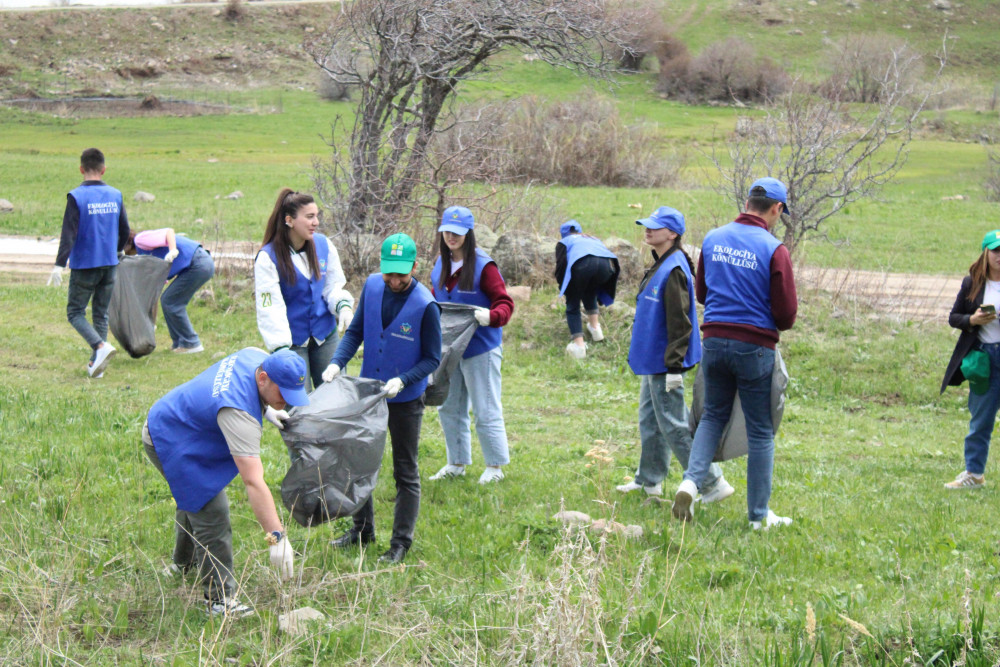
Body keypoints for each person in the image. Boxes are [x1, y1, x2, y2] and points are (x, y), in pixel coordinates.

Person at [671, 177, 797, 530]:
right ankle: (758, 517)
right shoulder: (774, 249)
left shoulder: (712, 238)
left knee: (712, 416)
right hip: (754, 346)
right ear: (777, 209)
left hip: (713, 340)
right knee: (760, 430)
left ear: (747, 201)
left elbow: (702, 293)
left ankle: (691, 483)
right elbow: (786, 315)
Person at [143, 347, 307, 616]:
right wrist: (276, 538)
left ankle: (181, 565)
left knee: (195, 499)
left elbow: (247, 387)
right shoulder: (238, 412)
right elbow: (253, 482)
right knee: (211, 508)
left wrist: (267, 408)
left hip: (180, 421)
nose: (286, 402)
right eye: (282, 395)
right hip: (167, 436)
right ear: (263, 378)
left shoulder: (255, 355)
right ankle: (218, 600)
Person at [322, 233, 442, 564]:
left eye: (402, 274)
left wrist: (403, 381)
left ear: (414, 267)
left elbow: (433, 358)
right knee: (358, 462)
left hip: (405, 400)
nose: (394, 280)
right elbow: (356, 332)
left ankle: (401, 542)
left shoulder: (426, 305)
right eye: (389, 272)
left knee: (405, 469)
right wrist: (336, 362)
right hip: (369, 394)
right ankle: (362, 530)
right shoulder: (373, 287)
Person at [619, 206, 734, 502]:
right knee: (651, 420)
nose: (648, 230)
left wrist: (673, 368)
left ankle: (711, 483)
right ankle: (649, 480)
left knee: (673, 423)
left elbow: (681, 323)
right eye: (646, 225)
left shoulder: (674, 270)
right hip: (652, 360)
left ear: (672, 234)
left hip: (666, 362)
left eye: (655, 227)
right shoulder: (662, 262)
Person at [426, 206, 515, 484]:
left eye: (458, 232)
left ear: (469, 233)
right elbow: (433, 298)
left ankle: (495, 466)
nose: (451, 237)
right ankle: (456, 462)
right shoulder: (440, 264)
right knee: (449, 406)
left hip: (480, 348)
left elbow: (505, 303)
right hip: (448, 348)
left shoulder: (484, 267)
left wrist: (492, 316)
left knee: (485, 407)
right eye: (447, 232)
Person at [255, 188, 354, 391]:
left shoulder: (324, 245)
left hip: (324, 335)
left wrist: (343, 306)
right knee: (300, 405)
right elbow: (270, 308)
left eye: (316, 216)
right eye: (309, 217)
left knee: (336, 395)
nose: (316, 222)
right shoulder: (268, 257)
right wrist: (282, 349)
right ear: (289, 220)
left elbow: (332, 287)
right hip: (291, 342)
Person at [48, 147, 130, 378]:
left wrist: (58, 264)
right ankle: (98, 367)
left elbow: (69, 234)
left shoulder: (76, 196)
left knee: (75, 312)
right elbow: (124, 229)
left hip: (86, 265)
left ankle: (100, 347)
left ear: (81, 169)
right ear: (104, 169)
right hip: (109, 263)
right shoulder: (116, 194)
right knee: (100, 314)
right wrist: (117, 251)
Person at [940, 230, 1000, 489]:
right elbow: (954, 317)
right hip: (984, 360)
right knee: (980, 420)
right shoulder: (972, 284)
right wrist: (973, 320)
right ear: (985, 252)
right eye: (996, 251)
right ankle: (974, 475)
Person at [124, 228, 215, 353]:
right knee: (168, 300)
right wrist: (152, 324)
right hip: (198, 265)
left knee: (171, 302)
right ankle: (179, 344)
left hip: (199, 262)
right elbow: (154, 294)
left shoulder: (140, 240)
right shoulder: (143, 259)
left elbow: (168, 232)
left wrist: (173, 250)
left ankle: (191, 343)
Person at [554, 220, 620, 359]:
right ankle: (595, 330)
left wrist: (564, 288)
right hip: (607, 266)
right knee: (590, 291)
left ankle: (579, 347)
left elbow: (561, 267)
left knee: (573, 304)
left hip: (583, 265)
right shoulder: (591, 238)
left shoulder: (564, 242)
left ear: (563, 234)